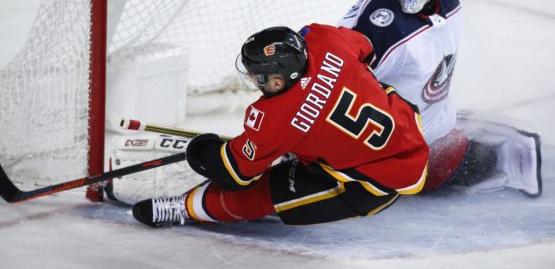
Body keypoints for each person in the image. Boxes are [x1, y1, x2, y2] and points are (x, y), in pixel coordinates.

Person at [132, 24, 430, 227]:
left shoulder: (276, 120)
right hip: (408, 129)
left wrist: (202, 151)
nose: (252, 80)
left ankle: (183, 209)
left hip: (372, 183)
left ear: (278, 80)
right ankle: (316, 149)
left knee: (264, 193)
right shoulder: (326, 40)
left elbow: (234, 173)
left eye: (256, 75)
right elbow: (367, 50)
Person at [339, 0, 541, 196]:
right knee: (482, 161)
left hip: (428, 125)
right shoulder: (375, 27)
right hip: (400, 152)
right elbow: (335, 78)